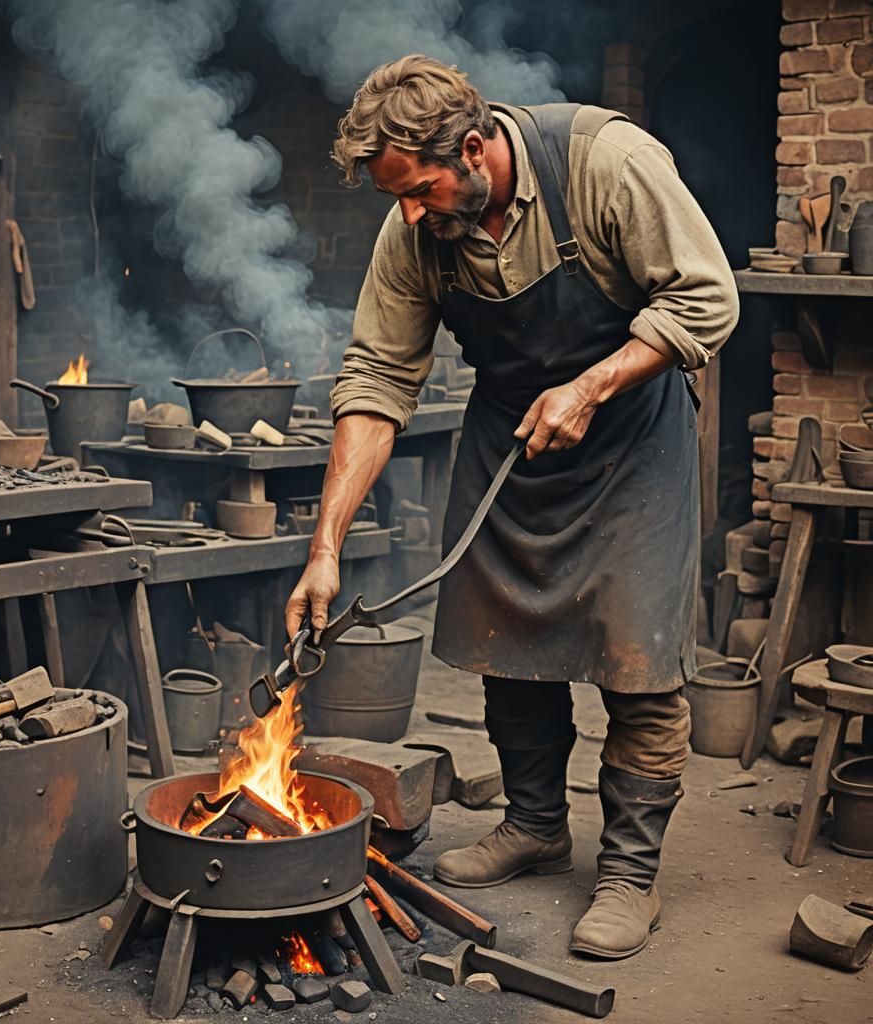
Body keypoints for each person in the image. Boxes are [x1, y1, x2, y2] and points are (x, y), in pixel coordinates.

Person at [285, 55, 738, 960]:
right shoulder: (412, 229)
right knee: (503, 642)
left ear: (477, 146)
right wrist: (324, 548)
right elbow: (377, 379)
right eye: (395, 196)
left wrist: (593, 385)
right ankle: (535, 822)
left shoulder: (606, 164)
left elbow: (707, 296)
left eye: (418, 188)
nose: (409, 213)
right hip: (509, 433)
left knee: (640, 661)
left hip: (631, 433)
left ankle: (628, 875)